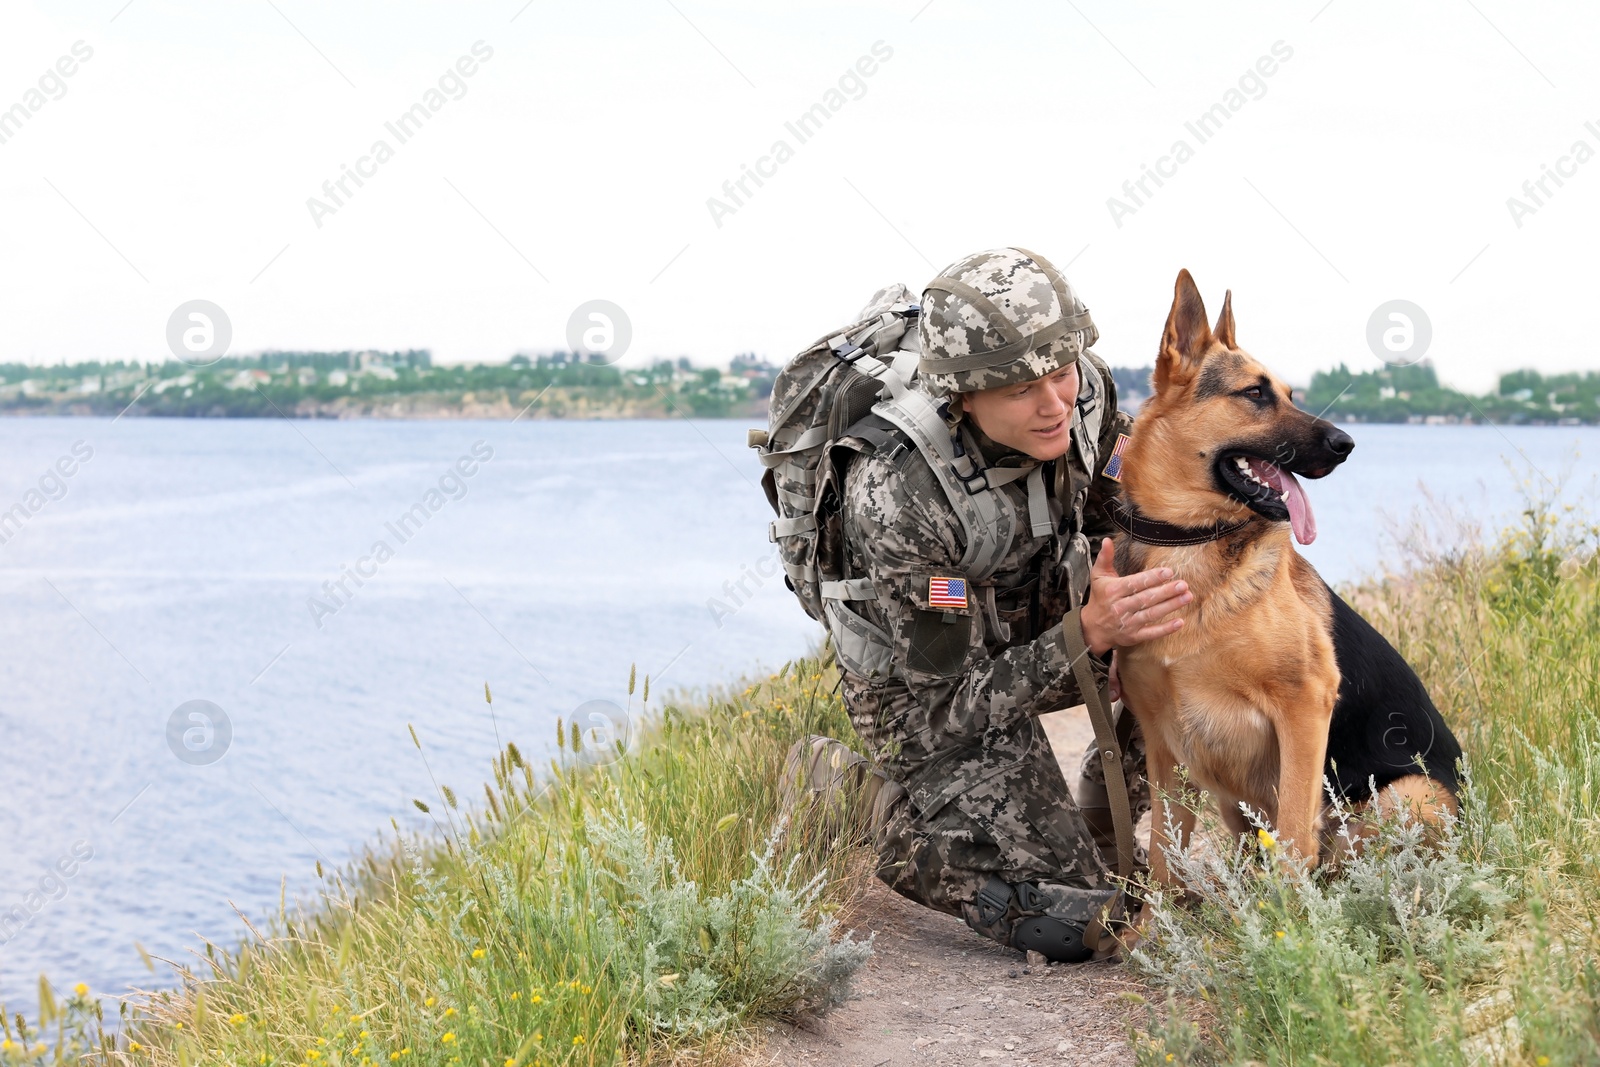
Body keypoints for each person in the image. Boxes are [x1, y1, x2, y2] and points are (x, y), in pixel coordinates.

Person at [789, 247, 1190, 961]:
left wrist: (1129, 609)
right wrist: (1089, 632)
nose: (1053, 403)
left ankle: (1101, 810)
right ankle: (853, 796)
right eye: (1019, 388)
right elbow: (951, 704)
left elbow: (1127, 513)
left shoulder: (1086, 398)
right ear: (962, 397)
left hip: (1041, 628)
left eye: (1060, 372)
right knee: (1072, 923)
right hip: (926, 693)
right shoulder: (901, 491)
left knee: (1192, 633)